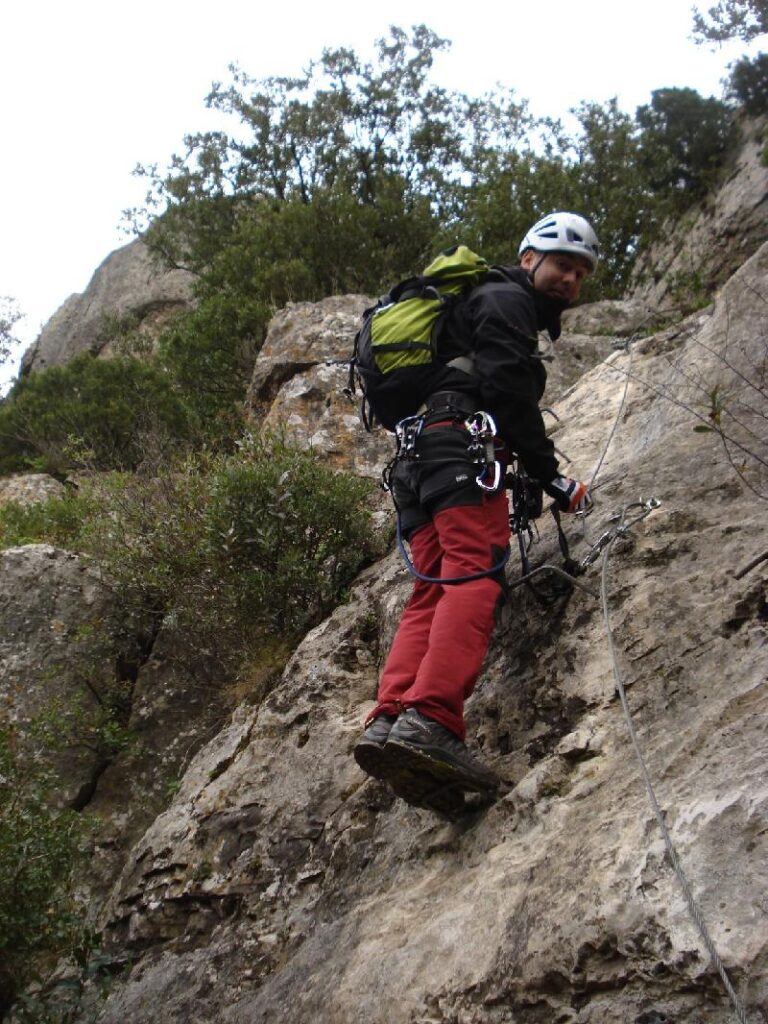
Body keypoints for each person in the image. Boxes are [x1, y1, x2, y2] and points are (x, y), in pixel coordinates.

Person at [353, 212, 599, 817]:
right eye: (560, 263)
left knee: (432, 587)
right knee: (470, 574)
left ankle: (389, 717)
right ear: (527, 260)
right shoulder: (504, 299)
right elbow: (510, 388)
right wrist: (552, 476)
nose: (569, 278)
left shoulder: (473, 305)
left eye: (579, 271)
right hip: (460, 448)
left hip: (418, 456)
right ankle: (431, 719)